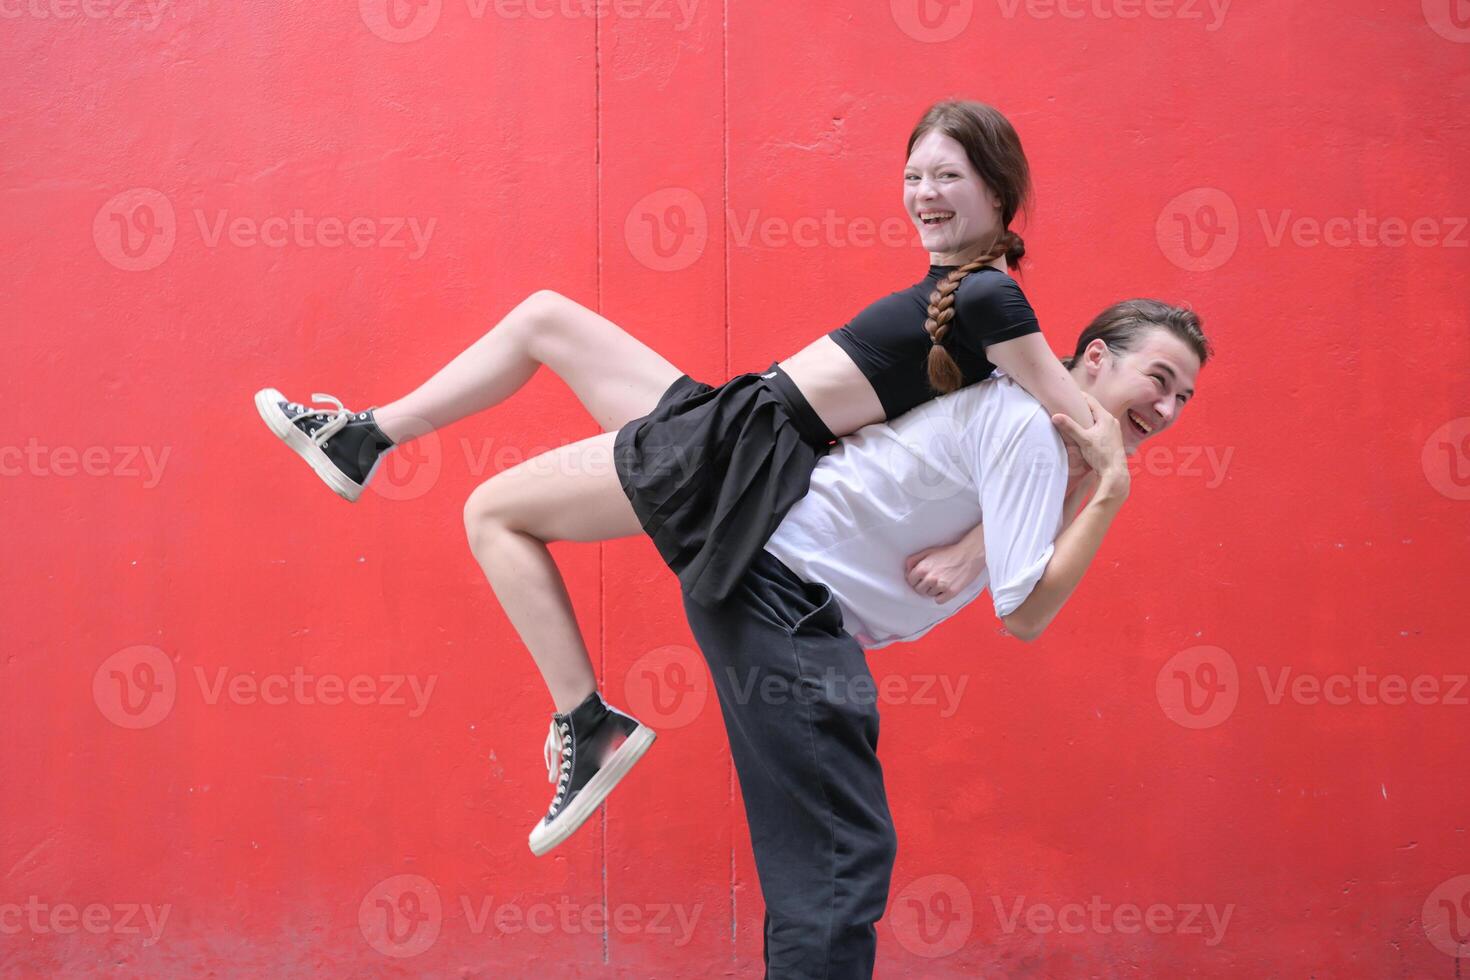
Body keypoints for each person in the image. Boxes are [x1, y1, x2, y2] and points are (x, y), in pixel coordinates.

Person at [254, 100, 1098, 856]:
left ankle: (589, 725)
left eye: (947, 176)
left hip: (737, 451)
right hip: (735, 418)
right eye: (913, 175)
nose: (924, 194)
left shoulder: (991, 300)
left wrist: (993, 540)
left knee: (490, 512)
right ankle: (364, 439)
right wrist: (979, 534)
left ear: (998, 191)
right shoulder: (963, 292)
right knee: (545, 318)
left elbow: (1079, 433)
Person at [681, 300, 1210, 977]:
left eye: (1183, 398)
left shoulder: (1032, 425)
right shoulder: (1030, 428)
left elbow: (1015, 511)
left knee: (829, 855)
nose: (1166, 410)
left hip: (789, 602)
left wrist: (981, 543)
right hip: (784, 596)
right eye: (1159, 379)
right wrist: (1113, 486)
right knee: (838, 860)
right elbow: (1024, 615)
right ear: (1098, 357)